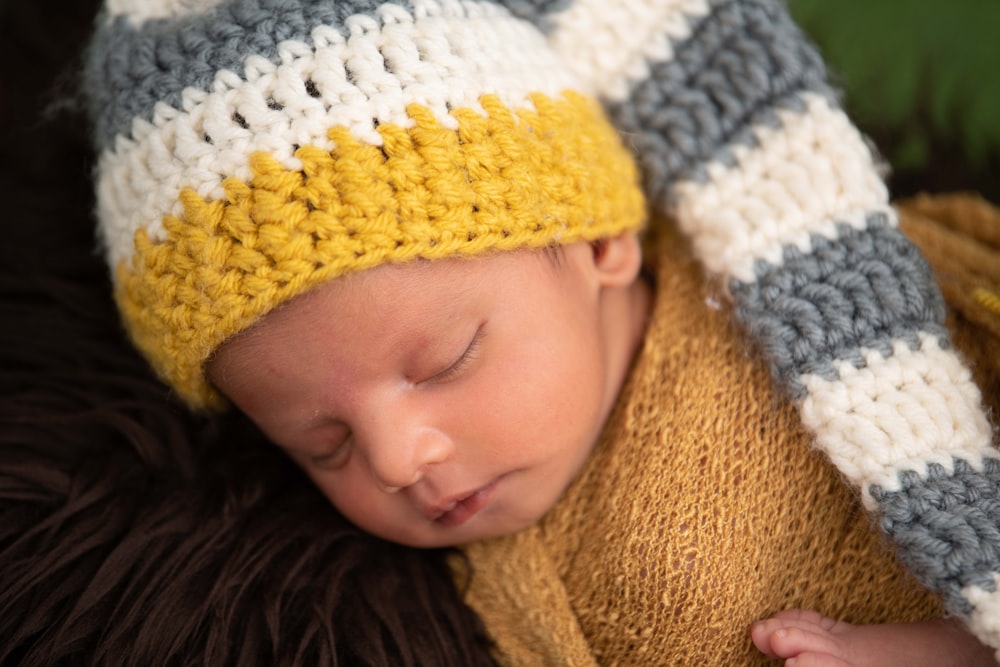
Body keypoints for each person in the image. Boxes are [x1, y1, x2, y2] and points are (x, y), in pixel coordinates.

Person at [82, 0, 1000, 664]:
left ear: (604, 243)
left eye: (445, 360)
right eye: (320, 445)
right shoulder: (477, 596)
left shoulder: (819, 276)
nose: (399, 457)